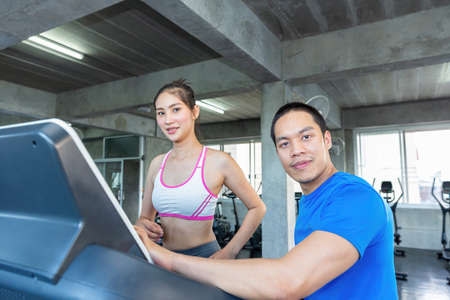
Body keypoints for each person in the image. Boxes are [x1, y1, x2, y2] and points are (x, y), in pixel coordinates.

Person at [135, 102, 398, 299]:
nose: (297, 150)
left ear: (326, 139)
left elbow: (289, 281)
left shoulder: (356, 198)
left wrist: (166, 258)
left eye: (306, 137)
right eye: (285, 144)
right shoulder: (311, 201)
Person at [135, 79, 266, 259]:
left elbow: (257, 207)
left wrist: (230, 251)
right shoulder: (157, 164)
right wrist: (143, 225)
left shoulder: (219, 161)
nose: (168, 120)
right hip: (163, 256)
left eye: (176, 109)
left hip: (204, 258)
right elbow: (144, 218)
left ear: (194, 111)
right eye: (161, 112)